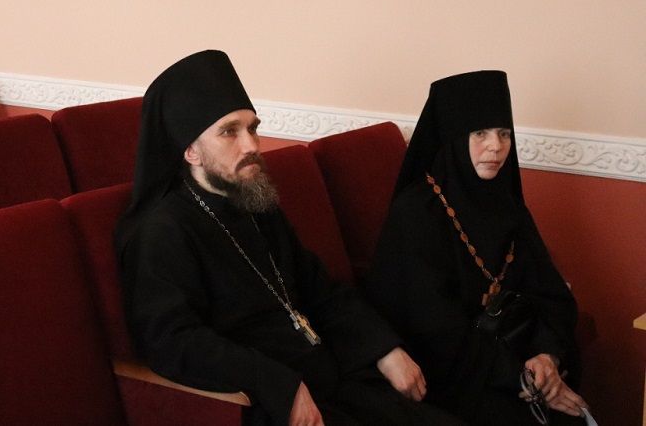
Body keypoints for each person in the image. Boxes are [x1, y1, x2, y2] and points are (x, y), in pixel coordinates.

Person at [116, 50, 461, 426]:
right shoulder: (162, 231)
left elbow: (320, 289)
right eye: (230, 132)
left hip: (330, 375)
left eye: (252, 128)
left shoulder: (255, 202)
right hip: (267, 404)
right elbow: (173, 341)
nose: (251, 145)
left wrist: (383, 349)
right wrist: (278, 384)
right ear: (190, 151)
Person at [366, 71, 589, 425]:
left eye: (504, 133)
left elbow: (550, 293)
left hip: (510, 354)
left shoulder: (507, 203)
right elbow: (434, 328)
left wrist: (547, 356)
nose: (496, 146)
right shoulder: (417, 212)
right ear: (454, 137)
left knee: (568, 411)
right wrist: (520, 377)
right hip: (448, 371)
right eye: (480, 133)